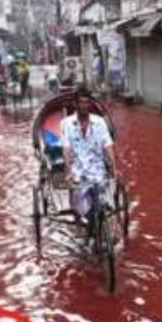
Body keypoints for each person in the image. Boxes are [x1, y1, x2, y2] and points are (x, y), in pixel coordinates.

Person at [60, 86, 117, 226]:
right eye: (81, 102)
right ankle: (81, 217)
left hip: (97, 170)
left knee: (103, 204)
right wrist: (68, 171)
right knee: (80, 210)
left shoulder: (100, 122)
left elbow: (108, 145)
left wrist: (113, 167)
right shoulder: (66, 123)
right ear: (75, 104)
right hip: (78, 172)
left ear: (90, 104)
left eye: (86, 102)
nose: (84, 106)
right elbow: (66, 149)